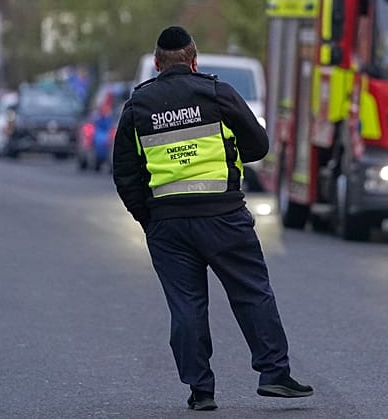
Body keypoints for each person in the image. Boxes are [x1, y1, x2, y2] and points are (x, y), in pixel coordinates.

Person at [112, 26, 313, 411]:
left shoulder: (138, 107)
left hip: (168, 224)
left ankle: (200, 390)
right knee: (252, 292)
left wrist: (149, 220)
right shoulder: (217, 93)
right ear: (194, 60)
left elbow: (125, 173)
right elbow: (258, 144)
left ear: (156, 64)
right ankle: (274, 374)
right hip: (224, 216)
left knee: (186, 305)